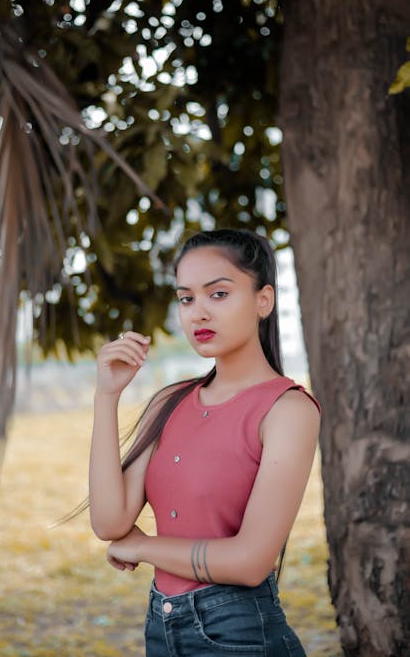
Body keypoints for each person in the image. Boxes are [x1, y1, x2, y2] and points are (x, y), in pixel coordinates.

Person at [88, 228, 321, 656]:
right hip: (161, 628)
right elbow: (109, 522)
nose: (198, 314)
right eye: (186, 298)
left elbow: (250, 562)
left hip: (241, 633)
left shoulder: (289, 410)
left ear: (263, 301)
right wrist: (107, 396)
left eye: (218, 294)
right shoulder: (169, 403)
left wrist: (143, 546)